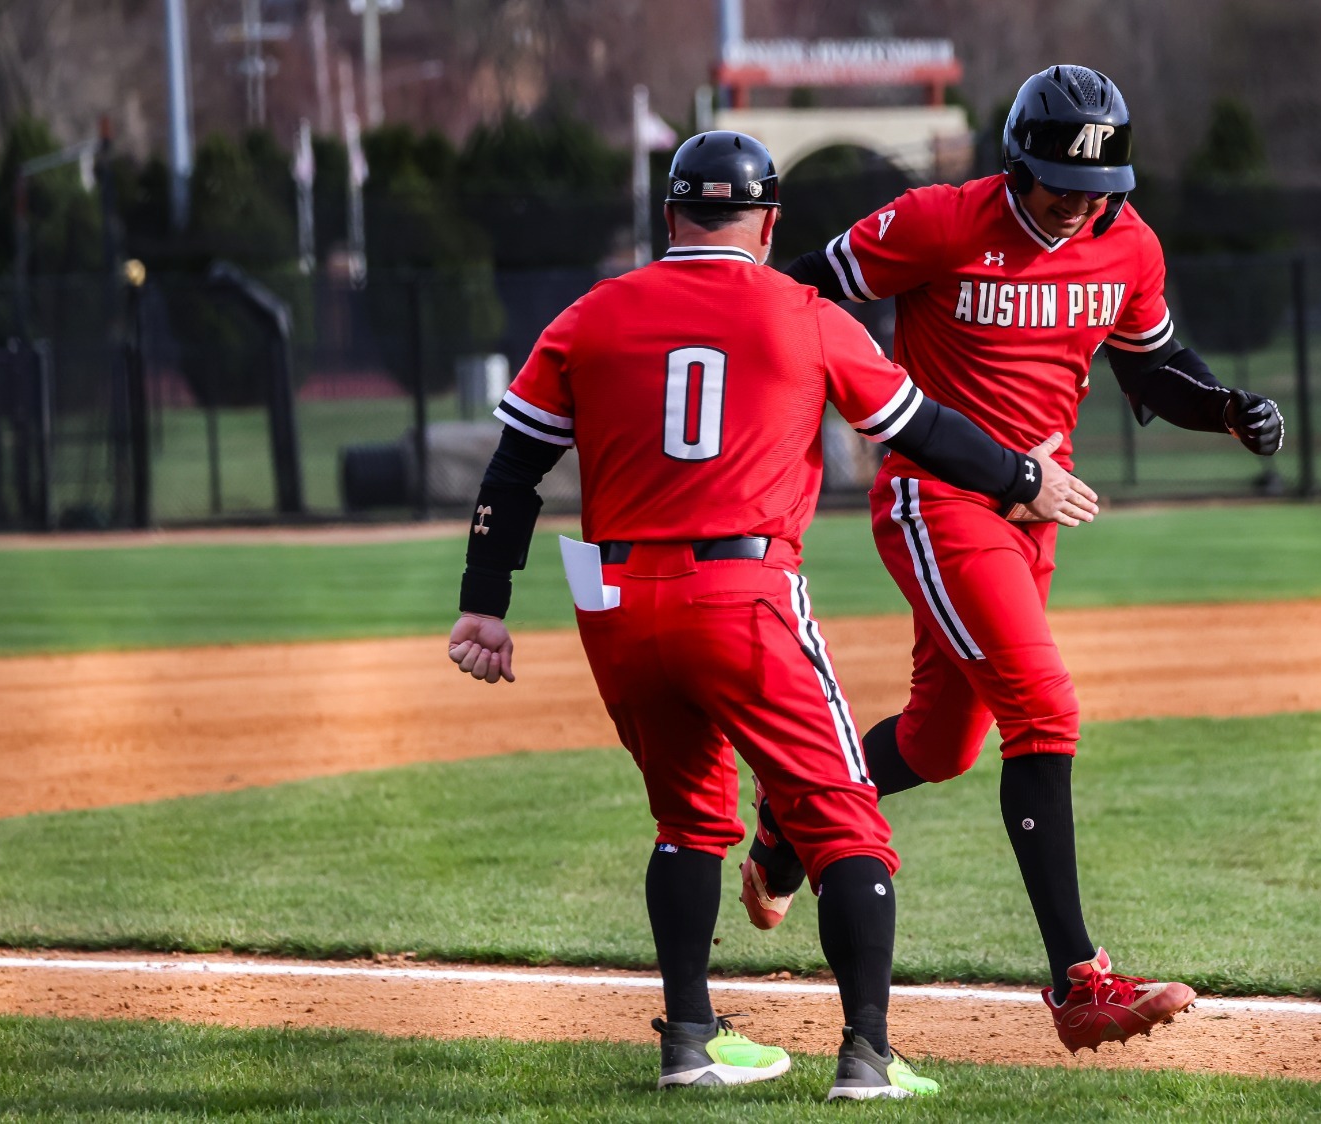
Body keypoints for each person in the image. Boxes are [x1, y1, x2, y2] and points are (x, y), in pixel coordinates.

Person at [442, 130, 1098, 1100]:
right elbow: (920, 428)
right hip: (740, 592)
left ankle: (691, 1044)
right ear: (769, 223)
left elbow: (512, 470)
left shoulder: (590, 314)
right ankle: (867, 1057)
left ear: (670, 216)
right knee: (847, 826)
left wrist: (484, 605)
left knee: (686, 822)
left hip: (614, 600)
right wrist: (1022, 475)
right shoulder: (802, 310)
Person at [748, 65, 1285, 1054]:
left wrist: (1220, 407)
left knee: (939, 742)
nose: (1075, 205)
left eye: (1095, 190)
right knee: (1044, 706)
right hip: (935, 497)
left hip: (1036, 519)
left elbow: (1151, 365)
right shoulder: (939, 221)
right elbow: (795, 298)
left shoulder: (1124, 245)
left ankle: (790, 810)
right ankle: (1078, 982)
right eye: (1055, 187)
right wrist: (838, 409)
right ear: (1014, 168)